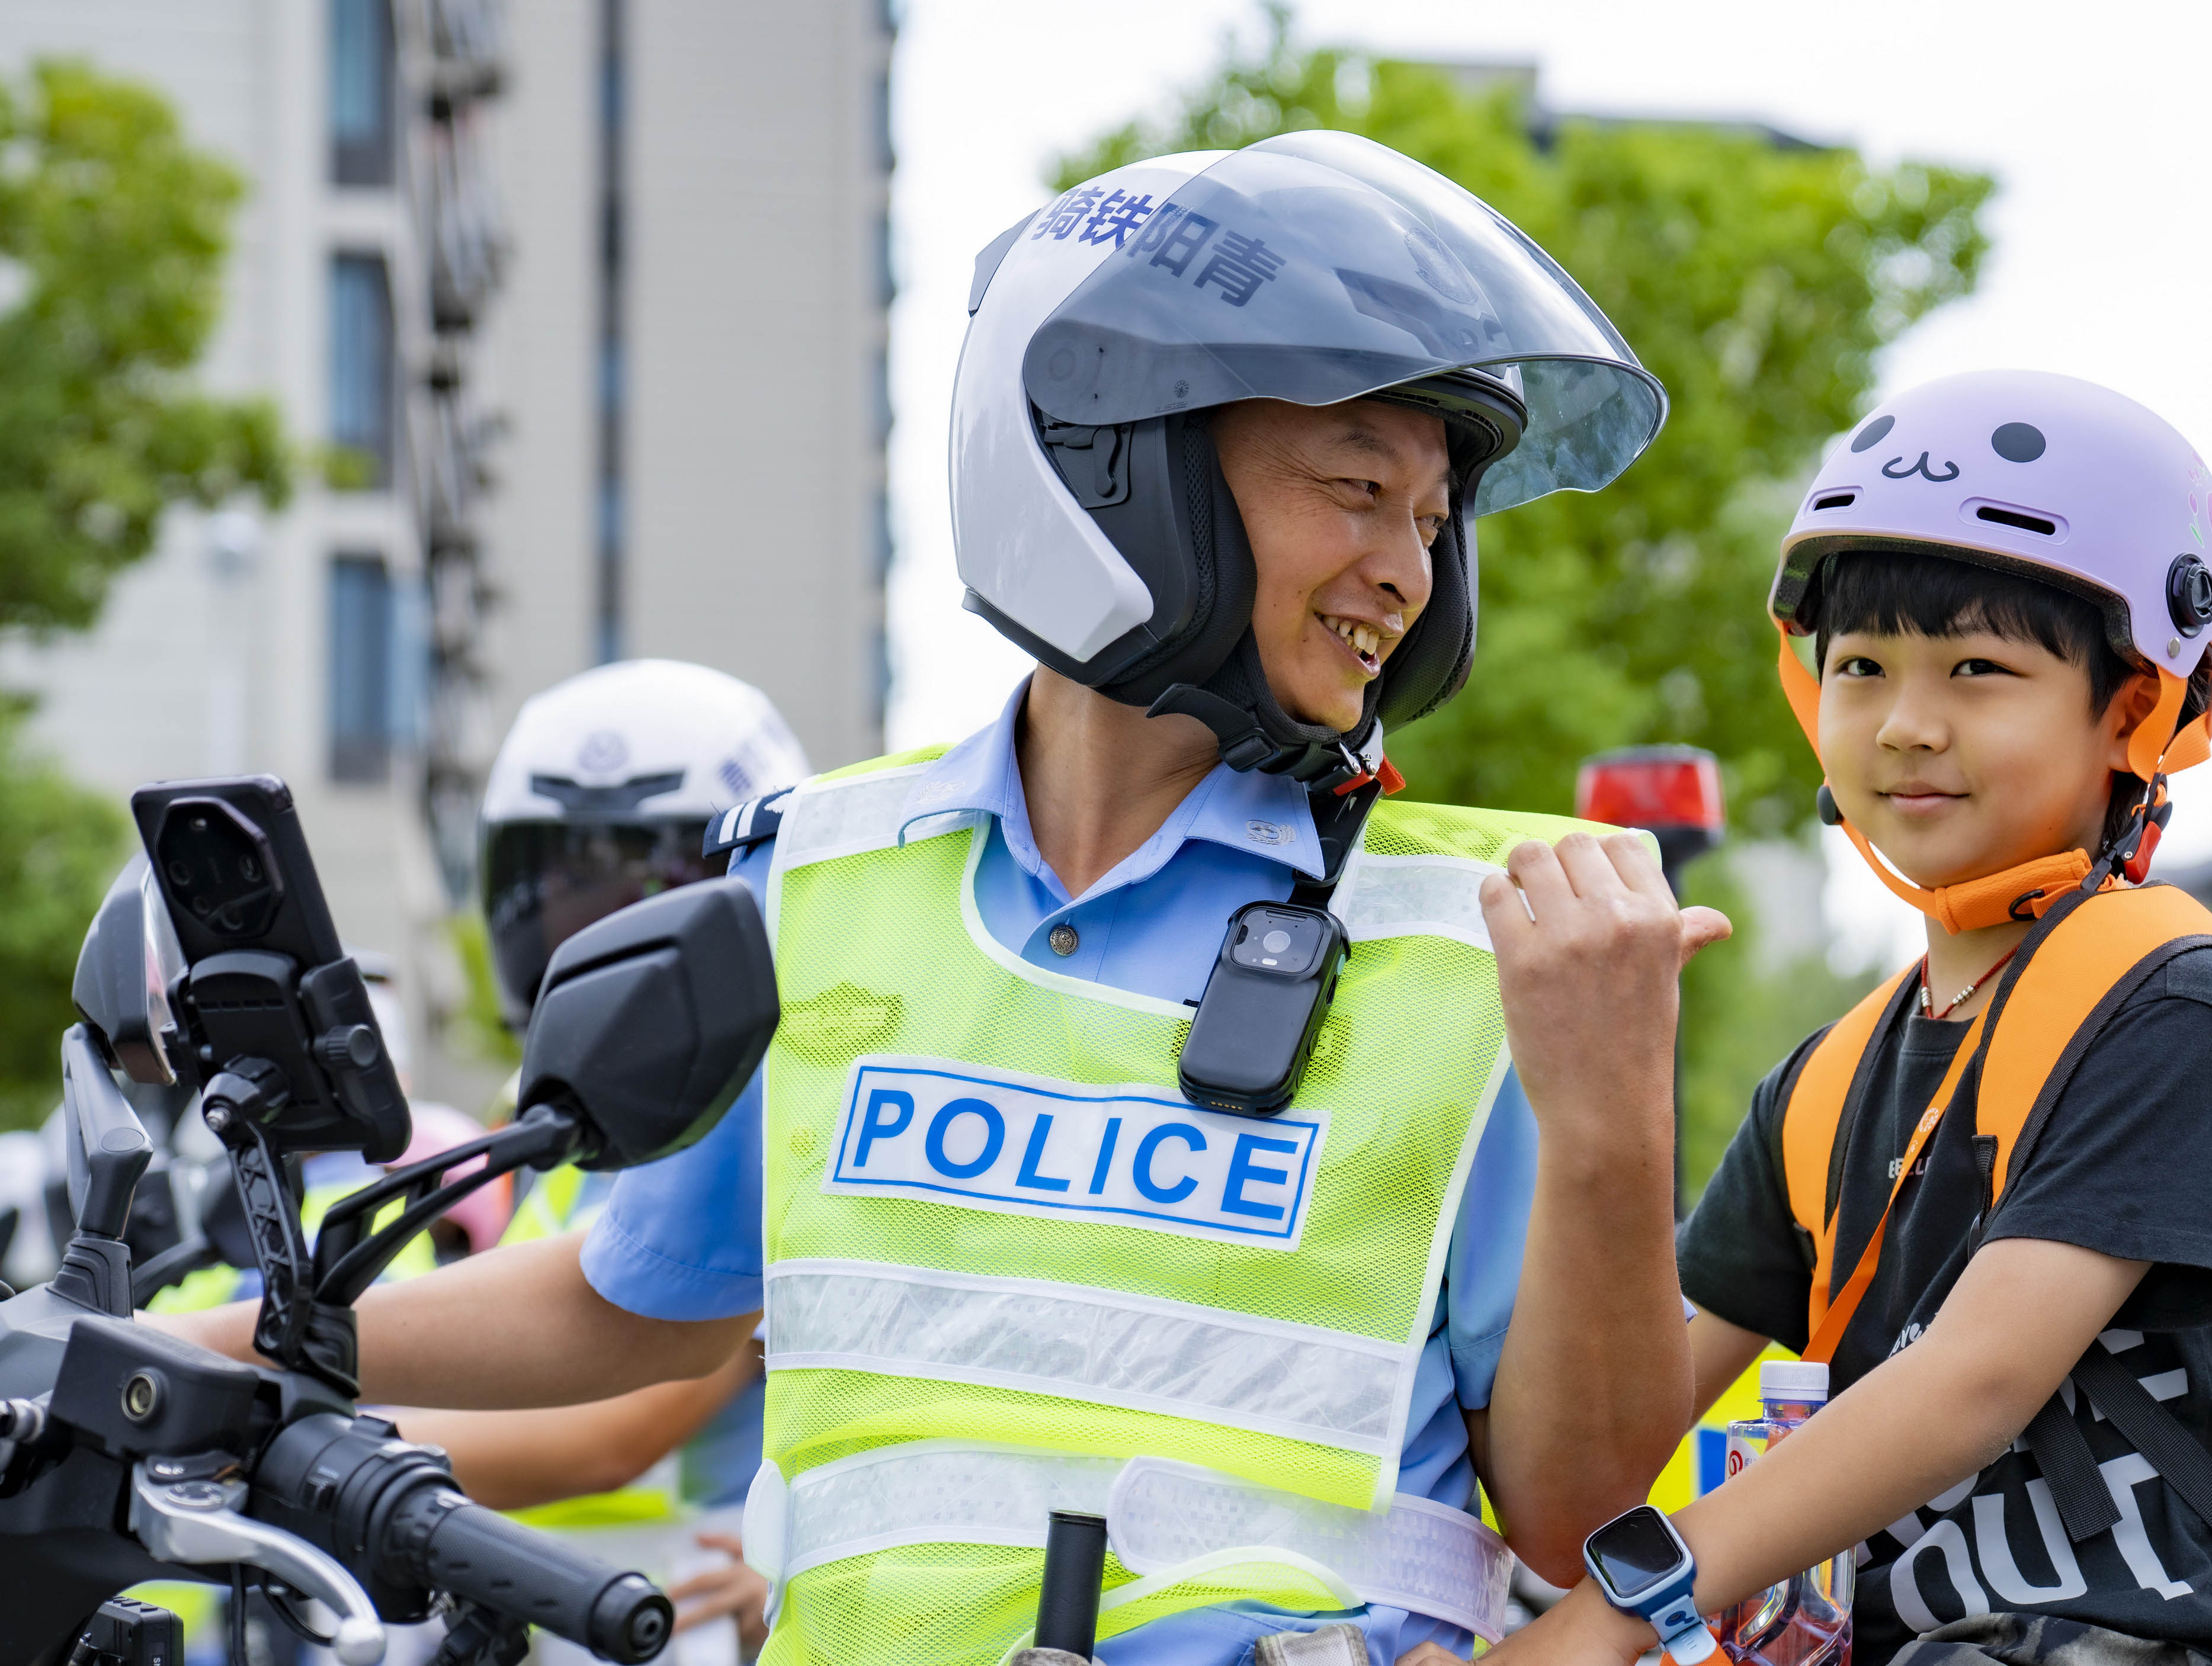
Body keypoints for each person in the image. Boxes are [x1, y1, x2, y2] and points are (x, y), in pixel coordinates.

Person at [170, 131, 1714, 1666]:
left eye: (1434, 522)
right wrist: (184, 1353)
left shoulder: (1501, 933)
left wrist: (1608, 1113)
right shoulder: (816, 871)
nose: (1408, 572)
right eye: (1357, 490)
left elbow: (1586, 1507)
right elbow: (633, 1301)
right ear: (1120, 458)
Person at [1472, 370, 2212, 1666]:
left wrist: (1607, 1617)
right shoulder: (1830, 1080)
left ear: (2134, 709)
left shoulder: (2172, 1010)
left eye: (1978, 669)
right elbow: (1608, 1434)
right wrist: (1598, 1103)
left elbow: (1973, 1383)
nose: (1907, 724)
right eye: (1861, 666)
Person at [397, 657, 816, 1662]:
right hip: (527, 1618)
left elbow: (610, 1428)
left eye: (659, 893)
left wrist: (284, 1444)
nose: (601, 947)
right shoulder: (545, 1135)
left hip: (683, 1625)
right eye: (563, 888)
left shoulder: (779, 1111)